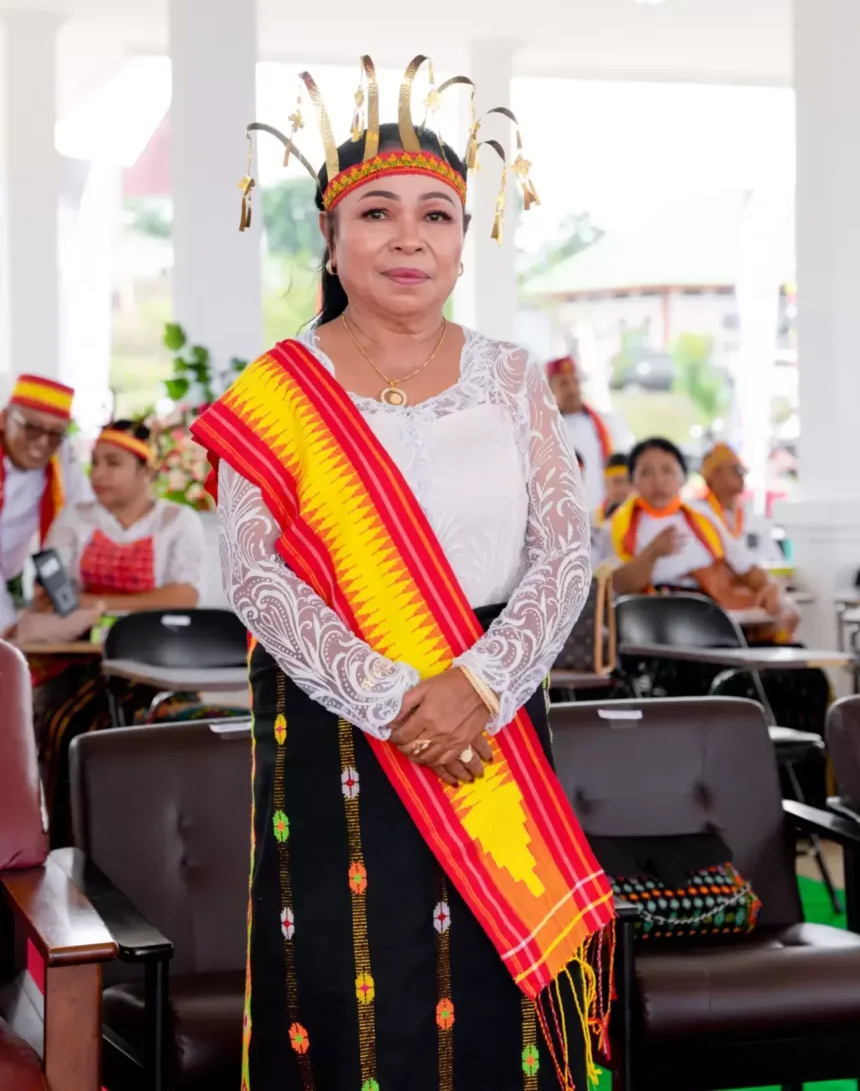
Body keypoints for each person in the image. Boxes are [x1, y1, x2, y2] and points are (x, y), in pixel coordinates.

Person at [192, 56, 613, 1091]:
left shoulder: (510, 375)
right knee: (342, 973)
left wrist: (473, 686)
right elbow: (257, 575)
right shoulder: (273, 393)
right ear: (330, 241)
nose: (408, 238)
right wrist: (394, 698)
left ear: (465, 243)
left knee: (490, 977)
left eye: (437, 214)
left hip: (493, 698)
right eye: (376, 213)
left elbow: (565, 550)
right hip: (335, 716)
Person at [17, 419, 204, 846]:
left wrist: (96, 603)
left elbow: (181, 596)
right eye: (95, 462)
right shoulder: (76, 517)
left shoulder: (178, 521)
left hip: (151, 666)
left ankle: (149, 843)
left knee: (159, 733)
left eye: (113, 463)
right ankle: (69, 843)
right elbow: (50, 597)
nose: (98, 474)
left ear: (146, 470)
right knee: (64, 726)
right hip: (75, 663)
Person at [609, 437, 798, 637]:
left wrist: (771, 587)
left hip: (715, 613)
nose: (658, 481)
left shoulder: (703, 518)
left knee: (788, 613)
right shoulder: (620, 524)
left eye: (667, 471)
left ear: (683, 478)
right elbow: (615, 584)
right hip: (658, 623)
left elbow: (745, 566)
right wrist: (653, 553)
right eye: (646, 472)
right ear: (632, 481)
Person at [0, 373, 91, 637]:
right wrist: (11, 629)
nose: (43, 443)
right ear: (5, 419)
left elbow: (82, 519)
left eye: (55, 433)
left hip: (11, 574)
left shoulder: (63, 460)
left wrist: (59, 589)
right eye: (32, 428)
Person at [545, 355, 628, 511]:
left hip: (604, 514)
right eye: (563, 383)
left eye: (575, 381)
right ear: (550, 387)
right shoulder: (544, 428)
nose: (572, 388)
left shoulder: (606, 423)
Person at [700, 441, 785, 562]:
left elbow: (776, 562)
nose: (742, 474)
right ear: (714, 475)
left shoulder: (753, 519)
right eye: (736, 469)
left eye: (742, 469)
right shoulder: (698, 515)